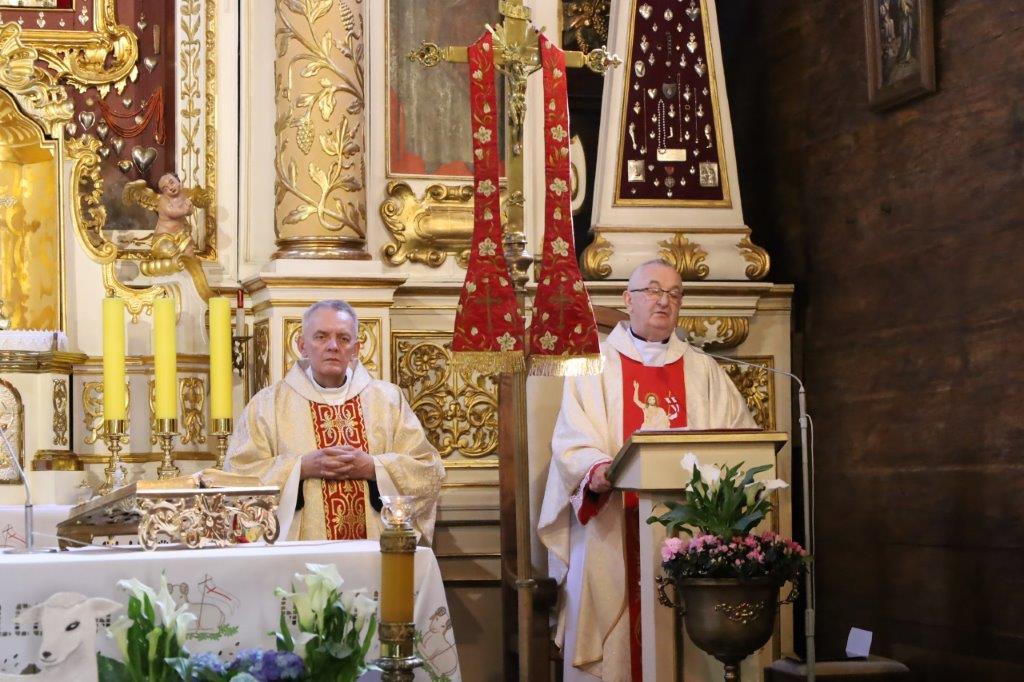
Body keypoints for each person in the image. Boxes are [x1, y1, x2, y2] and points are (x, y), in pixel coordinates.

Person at [538, 259, 757, 681]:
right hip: (612, 523)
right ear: (628, 299)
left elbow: (738, 443)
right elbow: (572, 440)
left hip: (693, 528)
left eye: (674, 294)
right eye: (653, 290)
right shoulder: (594, 365)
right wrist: (596, 469)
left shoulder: (703, 370)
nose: (663, 301)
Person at [227, 300, 444, 543]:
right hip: (301, 551)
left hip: (376, 548)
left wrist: (374, 468)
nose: (333, 346)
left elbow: (427, 470)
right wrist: (300, 468)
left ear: (356, 348)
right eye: (321, 337)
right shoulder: (268, 405)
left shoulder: (388, 400)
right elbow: (238, 475)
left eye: (343, 338)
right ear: (302, 345)